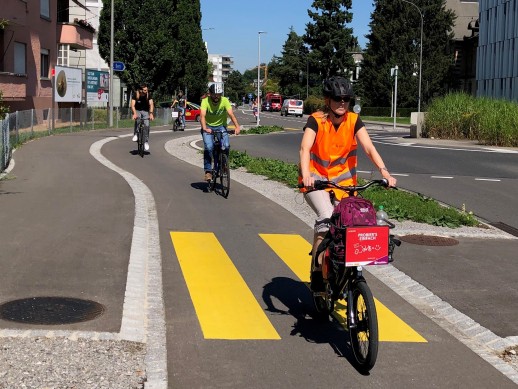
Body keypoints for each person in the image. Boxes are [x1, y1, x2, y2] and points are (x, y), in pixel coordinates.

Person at [298, 76, 397, 292]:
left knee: (352, 223)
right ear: (328, 100)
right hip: (317, 182)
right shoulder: (316, 120)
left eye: (346, 99)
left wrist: (385, 172)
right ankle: (316, 272)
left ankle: (342, 269)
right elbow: (305, 149)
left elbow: (369, 148)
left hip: (344, 184)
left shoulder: (353, 120)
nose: (342, 103)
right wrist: (307, 175)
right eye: (337, 98)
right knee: (326, 219)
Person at [200, 83, 241, 181]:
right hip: (208, 126)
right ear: (210, 94)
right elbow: (202, 116)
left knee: (226, 146)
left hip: (221, 126)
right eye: (214, 94)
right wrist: (205, 128)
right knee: (209, 147)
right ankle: (208, 171)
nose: (216, 97)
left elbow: (231, 114)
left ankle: (223, 165)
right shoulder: (205, 101)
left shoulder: (225, 100)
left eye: (218, 94)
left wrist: (237, 127)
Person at [131, 84, 154, 151]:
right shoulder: (136, 94)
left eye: (147, 90)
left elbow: (151, 104)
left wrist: (151, 114)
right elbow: (132, 105)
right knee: (138, 120)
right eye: (144, 90)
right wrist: (134, 114)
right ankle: (136, 134)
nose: (146, 91)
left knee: (147, 125)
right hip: (137, 110)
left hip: (146, 111)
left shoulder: (148, 95)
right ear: (140, 90)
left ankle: (146, 141)